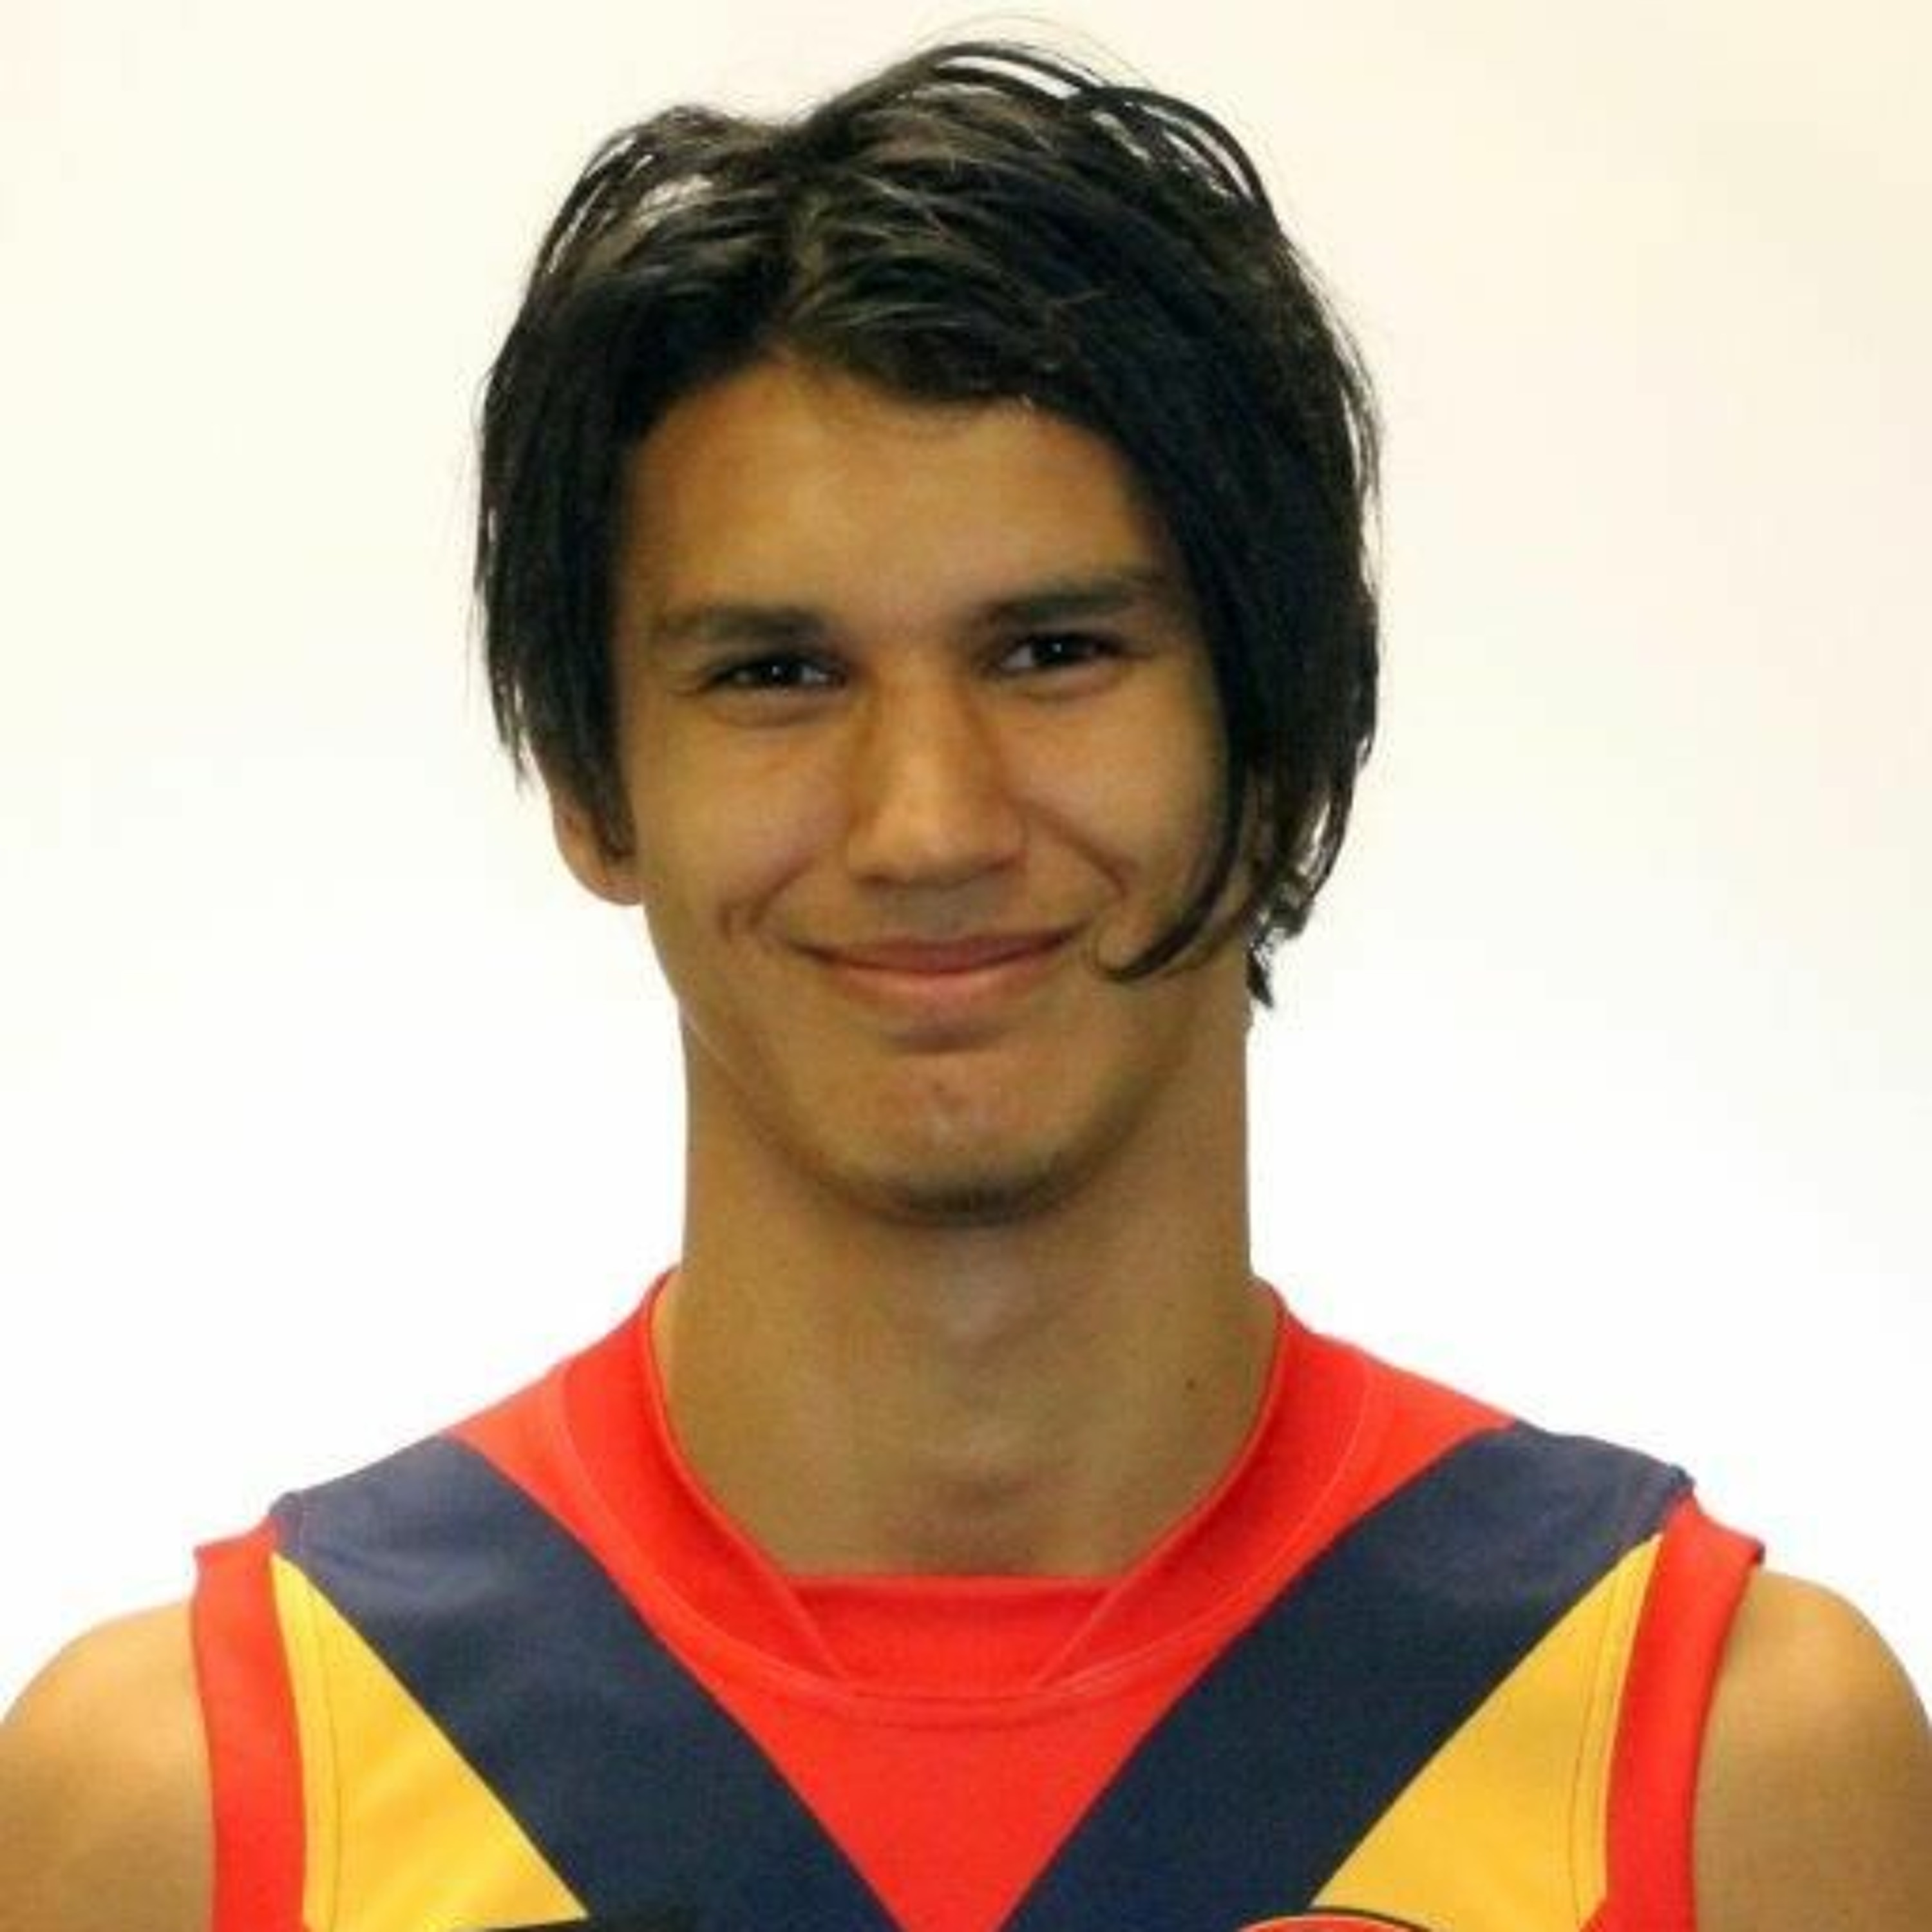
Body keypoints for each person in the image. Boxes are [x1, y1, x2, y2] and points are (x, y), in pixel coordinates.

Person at [3, 38, 1927, 1932]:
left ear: (1283, 741)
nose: (927, 823)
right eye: (775, 674)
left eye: (1055, 651)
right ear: (592, 785)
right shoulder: (193, 1812)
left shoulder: (1723, 1774)